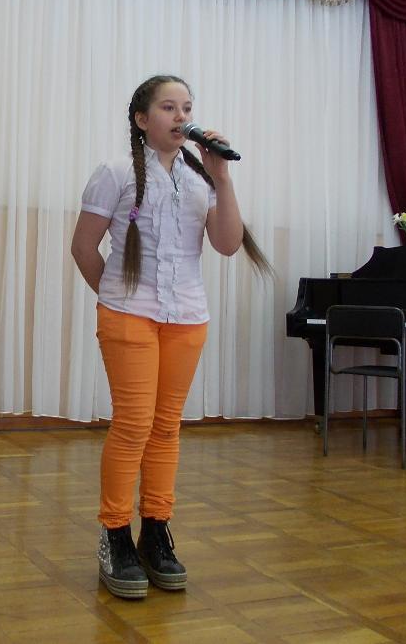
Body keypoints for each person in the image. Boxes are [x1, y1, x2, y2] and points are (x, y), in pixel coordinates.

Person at [71, 74, 270, 599]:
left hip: (187, 319)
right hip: (128, 317)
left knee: (165, 428)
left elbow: (228, 244)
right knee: (133, 425)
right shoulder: (115, 172)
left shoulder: (202, 180)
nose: (181, 117)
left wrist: (223, 178)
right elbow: (84, 248)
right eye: (168, 107)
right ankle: (115, 534)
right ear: (142, 120)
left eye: (187, 108)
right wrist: (116, 298)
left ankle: (156, 531)